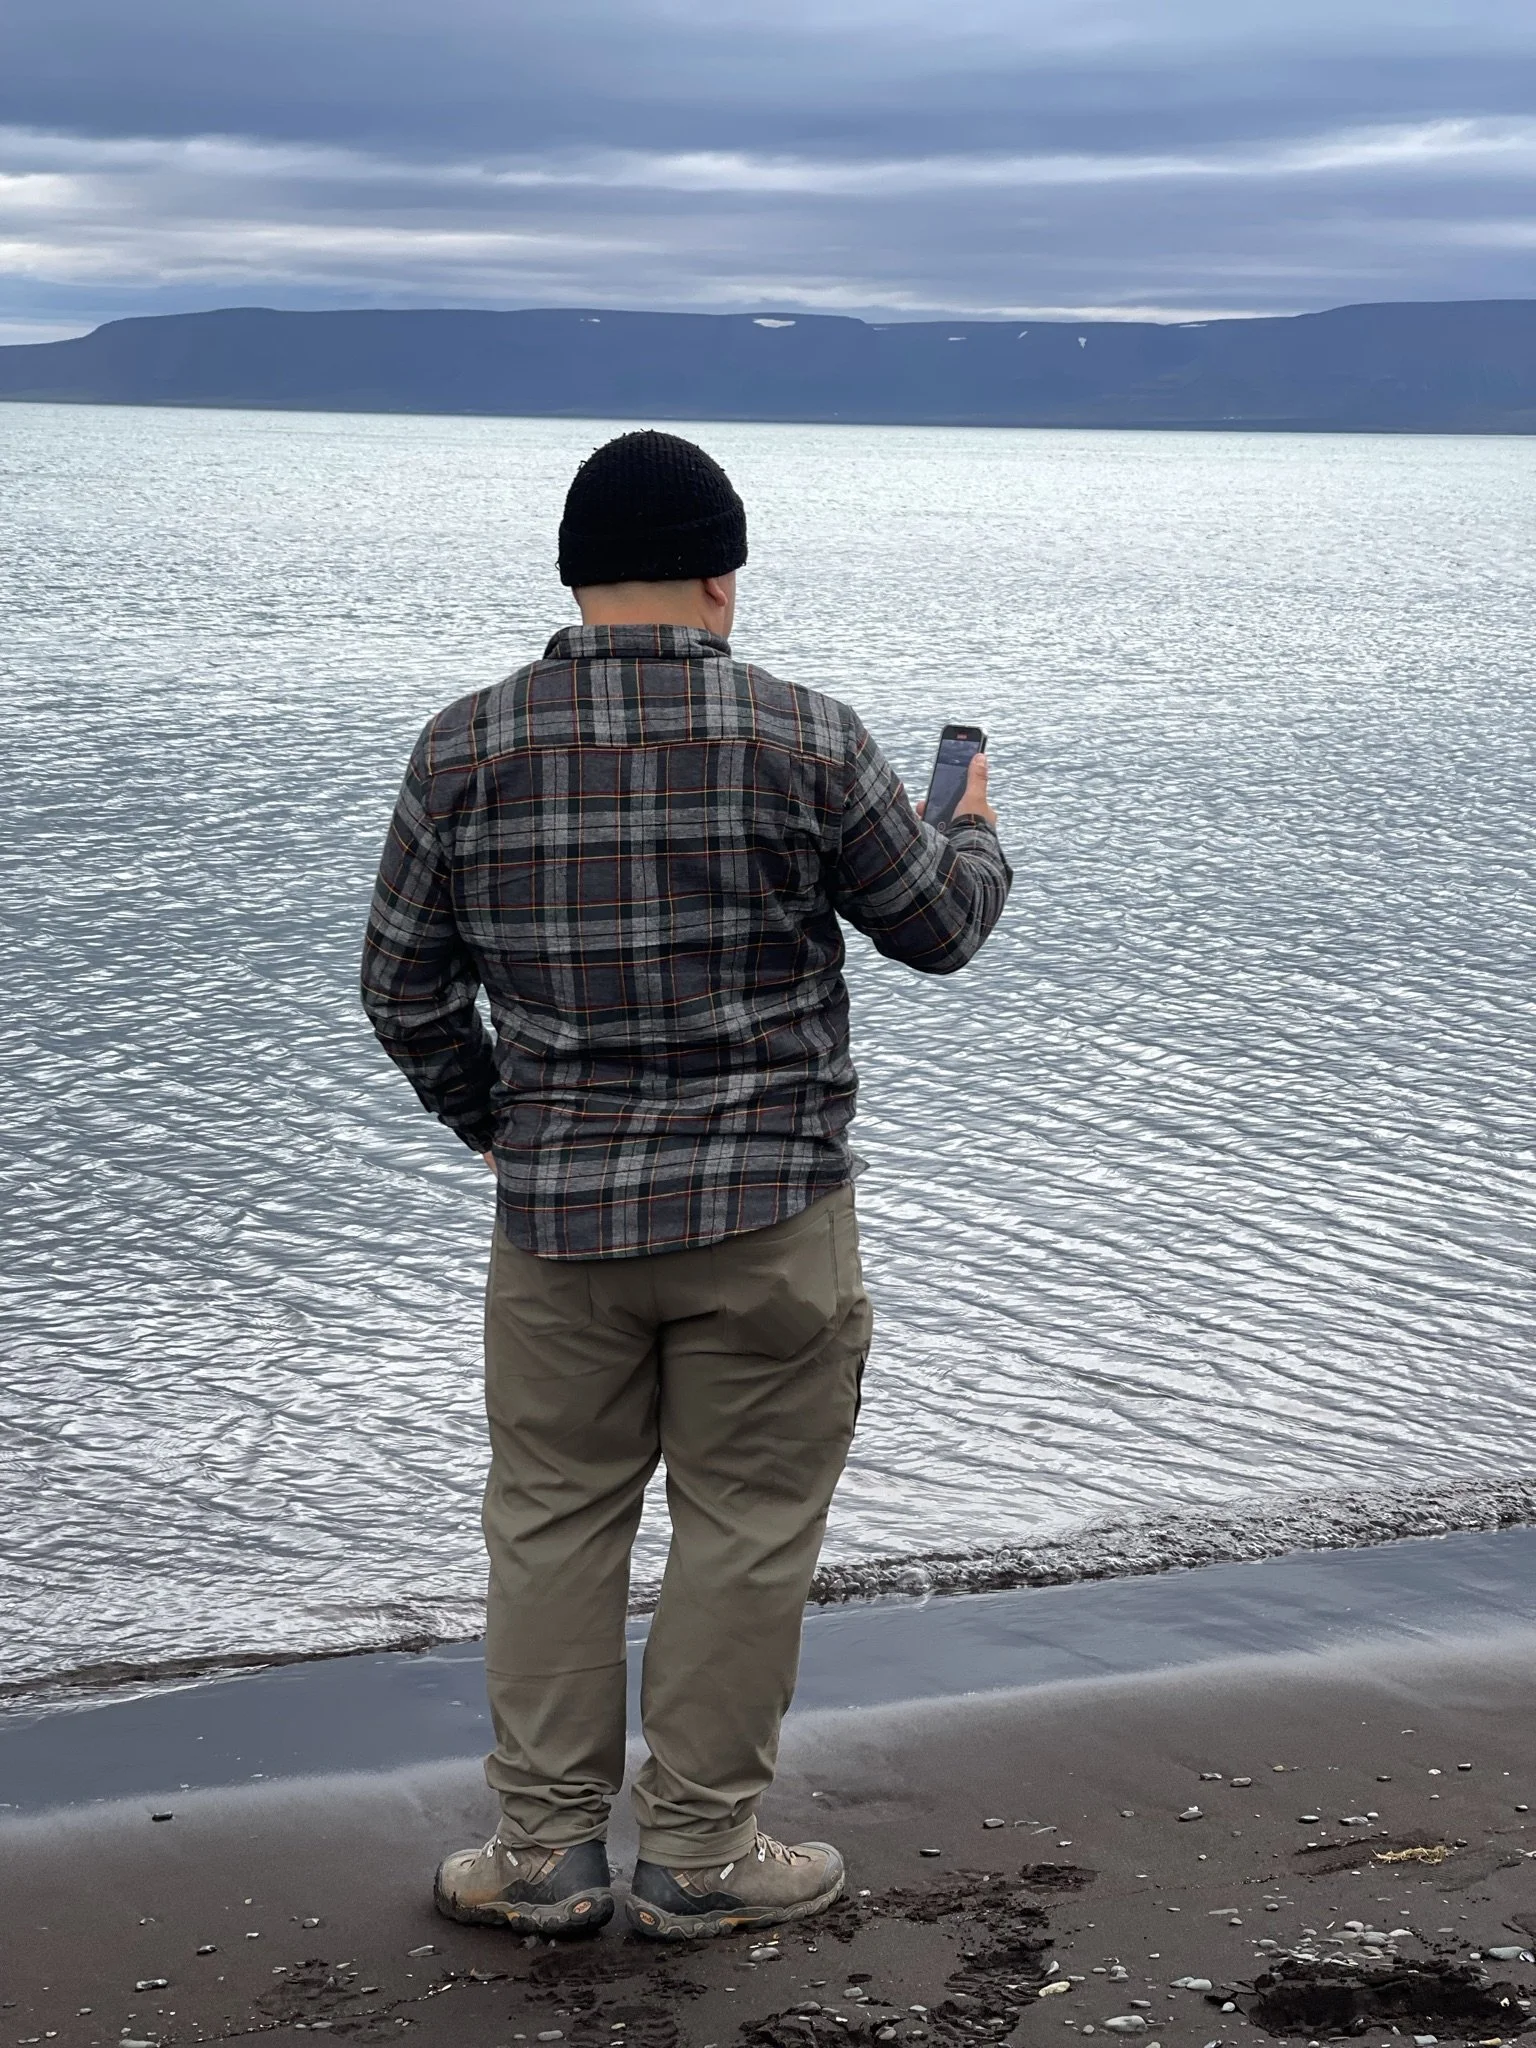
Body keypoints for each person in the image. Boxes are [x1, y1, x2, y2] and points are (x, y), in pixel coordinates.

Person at [360, 430, 1011, 1941]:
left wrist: (493, 1125)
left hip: (560, 1219)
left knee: (549, 1521)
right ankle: (701, 1859)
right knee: (747, 1524)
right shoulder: (808, 736)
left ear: (579, 577)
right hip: (772, 1215)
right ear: (725, 578)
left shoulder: (462, 746)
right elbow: (937, 933)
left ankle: (543, 1858)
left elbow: (401, 990)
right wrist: (970, 826)